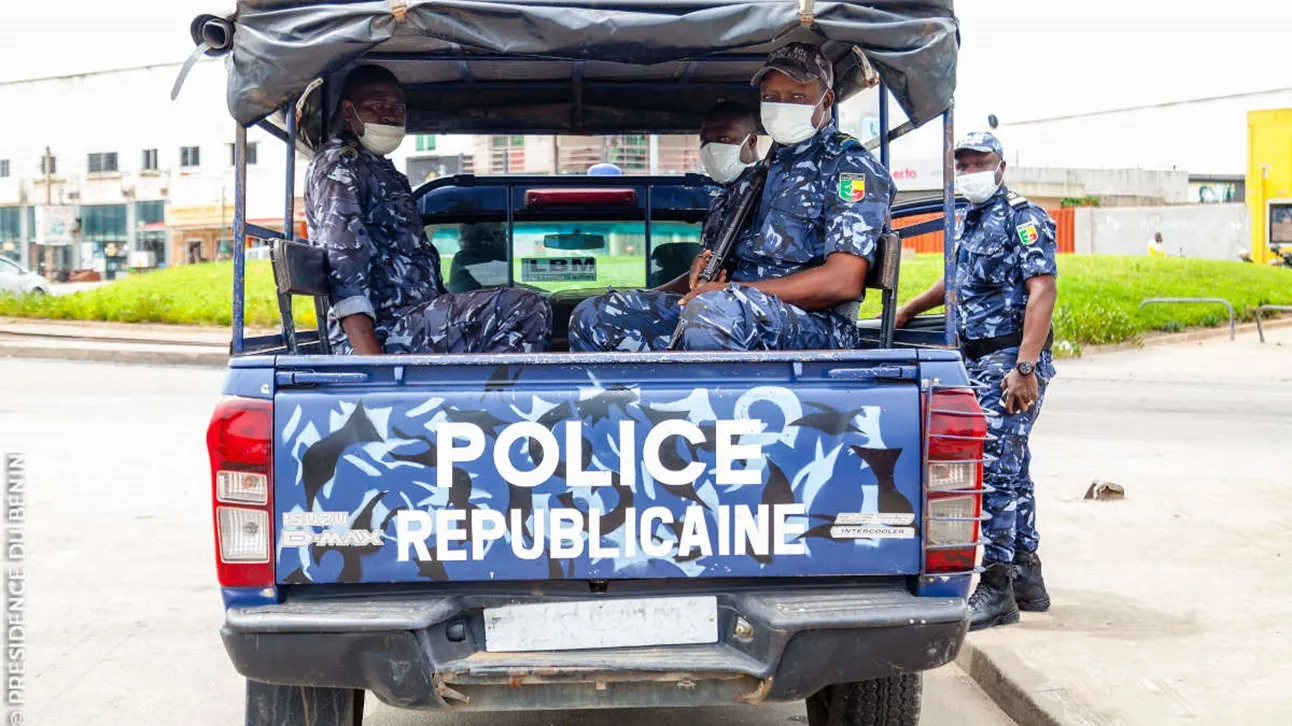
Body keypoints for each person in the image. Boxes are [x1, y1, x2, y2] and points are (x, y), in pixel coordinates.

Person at [568, 43, 894, 352]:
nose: (783, 106)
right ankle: (629, 395)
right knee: (596, 314)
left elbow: (843, 281)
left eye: (797, 97)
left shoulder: (849, 167)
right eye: (771, 97)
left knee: (712, 312)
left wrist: (730, 292)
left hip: (816, 326)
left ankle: (703, 395)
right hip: (729, 311)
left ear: (825, 101)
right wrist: (704, 269)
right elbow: (719, 269)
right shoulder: (758, 176)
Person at [894, 131, 1058, 631]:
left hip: (1010, 360)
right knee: (1013, 467)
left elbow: (1043, 291)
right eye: (962, 165)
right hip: (978, 360)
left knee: (992, 472)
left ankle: (997, 586)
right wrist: (908, 309)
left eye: (979, 163)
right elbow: (957, 279)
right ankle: (1027, 577)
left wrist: (1025, 369)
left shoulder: (1023, 218)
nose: (970, 172)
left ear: (1001, 165)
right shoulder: (970, 218)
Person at [305, 65, 551, 355]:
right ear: (349, 111)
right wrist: (372, 365)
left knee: (524, 303)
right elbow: (344, 267)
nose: (390, 115)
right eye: (378, 106)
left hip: (412, 321)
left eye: (398, 108)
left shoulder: (383, 170)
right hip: (383, 331)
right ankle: (495, 388)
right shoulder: (340, 165)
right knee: (523, 307)